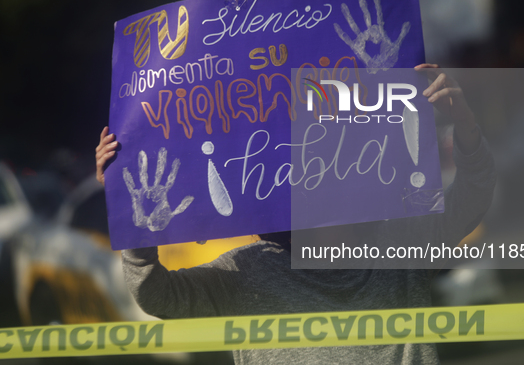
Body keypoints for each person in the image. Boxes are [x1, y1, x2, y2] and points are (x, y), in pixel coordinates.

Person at [96, 64, 496, 365]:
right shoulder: (246, 273)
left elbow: (473, 196)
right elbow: (155, 294)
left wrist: (465, 123)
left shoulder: (401, 246)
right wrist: (135, 218)